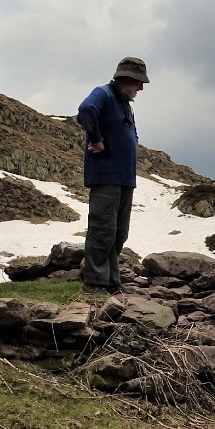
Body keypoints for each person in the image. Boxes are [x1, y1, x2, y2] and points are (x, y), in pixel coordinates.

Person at [76, 56, 149, 295]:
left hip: (125, 178)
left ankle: (111, 279)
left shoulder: (124, 103)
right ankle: (95, 281)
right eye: (138, 83)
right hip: (106, 176)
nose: (140, 88)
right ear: (126, 78)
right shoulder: (104, 94)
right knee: (103, 228)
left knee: (119, 231)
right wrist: (96, 140)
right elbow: (86, 110)